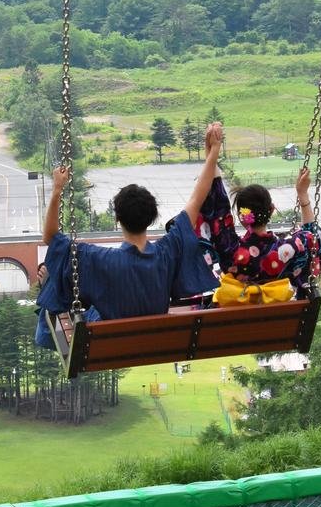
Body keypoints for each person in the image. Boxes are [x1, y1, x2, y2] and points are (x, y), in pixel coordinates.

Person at [34, 126, 223, 348]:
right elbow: (196, 199)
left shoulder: (98, 259)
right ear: (152, 218)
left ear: (117, 219)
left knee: (51, 302)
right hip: (153, 337)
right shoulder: (167, 252)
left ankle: (48, 279)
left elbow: (51, 237)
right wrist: (213, 152)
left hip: (107, 341)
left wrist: (57, 189)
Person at [211, 162, 321, 304]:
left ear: (241, 216)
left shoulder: (231, 250)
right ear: (272, 209)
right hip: (279, 324)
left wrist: (212, 156)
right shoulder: (288, 250)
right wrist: (302, 194)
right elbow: (313, 237)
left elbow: (218, 208)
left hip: (235, 323)